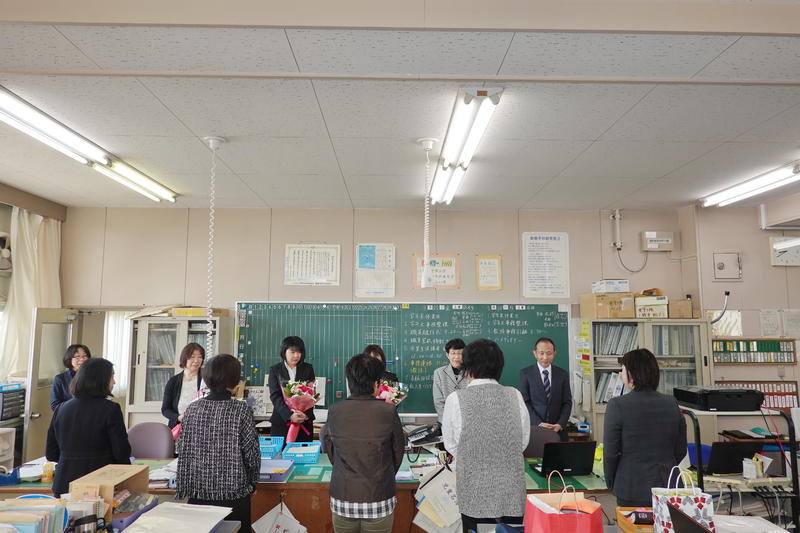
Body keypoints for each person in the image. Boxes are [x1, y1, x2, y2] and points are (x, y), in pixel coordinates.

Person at [442, 339, 529, 532]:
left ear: (467, 367)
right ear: (499, 367)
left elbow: (451, 445)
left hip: (474, 493)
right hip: (511, 493)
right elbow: (521, 442)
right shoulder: (515, 395)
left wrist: (475, 454)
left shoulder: (455, 399)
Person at [321, 354, 405, 533]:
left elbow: (329, 448)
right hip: (379, 496)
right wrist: (384, 475)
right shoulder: (388, 411)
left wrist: (344, 470)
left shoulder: (335, 411)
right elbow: (398, 452)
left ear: (349, 382)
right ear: (376, 383)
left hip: (343, 496)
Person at [177, 354, 260, 531]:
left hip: (198, 493)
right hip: (234, 494)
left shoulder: (193, 408)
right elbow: (251, 453)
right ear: (234, 380)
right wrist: (253, 484)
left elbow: (183, 450)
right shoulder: (241, 409)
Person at [604, 348, 687, 507]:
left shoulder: (617, 405)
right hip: (668, 485)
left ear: (632, 373)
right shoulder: (671, 403)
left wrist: (612, 483)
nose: (621, 375)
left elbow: (610, 453)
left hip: (631, 486)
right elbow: (680, 449)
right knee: (667, 522)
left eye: (623, 370)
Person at [46, 358, 131, 497]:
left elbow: (51, 454)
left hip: (64, 485)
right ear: (100, 380)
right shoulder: (110, 409)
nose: (114, 382)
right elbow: (121, 453)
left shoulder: (61, 408)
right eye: (112, 377)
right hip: (100, 485)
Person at [519, 337, 572, 440]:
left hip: (558, 431)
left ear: (554, 353)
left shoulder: (562, 374)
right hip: (535, 430)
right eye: (541, 353)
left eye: (549, 353)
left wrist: (560, 424)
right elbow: (524, 402)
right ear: (535, 353)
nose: (545, 357)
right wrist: (539, 423)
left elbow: (567, 402)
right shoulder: (526, 374)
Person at [268, 336, 315, 441]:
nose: (296, 355)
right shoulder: (275, 370)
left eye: (299, 352)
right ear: (284, 352)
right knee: (281, 451)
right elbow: (275, 396)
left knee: (304, 451)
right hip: (282, 422)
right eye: (293, 352)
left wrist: (305, 415)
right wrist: (289, 415)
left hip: (303, 421)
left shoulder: (308, 368)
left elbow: (311, 395)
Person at [162, 343, 205, 429]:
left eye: (200, 357)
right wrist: (178, 417)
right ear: (184, 358)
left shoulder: (206, 380)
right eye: (192, 357)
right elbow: (165, 409)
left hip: (201, 427)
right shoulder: (173, 381)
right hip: (178, 427)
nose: (196, 361)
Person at [432, 338, 467, 423]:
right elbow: (438, 402)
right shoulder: (439, 373)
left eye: (460, 353)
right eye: (453, 353)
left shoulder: (472, 373)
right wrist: (447, 421)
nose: (456, 357)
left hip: (468, 421)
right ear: (447, 355)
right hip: (445, 420)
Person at [50, 344, 92, 410]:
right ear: (69, 359)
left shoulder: (94, 377)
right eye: (77, 356)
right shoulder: (60, 379)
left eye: (85, 356)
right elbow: (55, 406)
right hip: (69, 415)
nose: (81, 359)